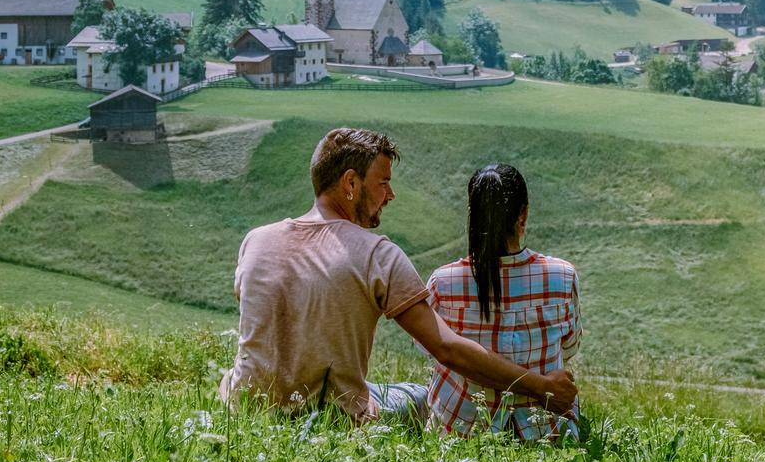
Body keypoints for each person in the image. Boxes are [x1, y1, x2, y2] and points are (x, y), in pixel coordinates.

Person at [220, 127, 577, 425]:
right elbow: (448, 349)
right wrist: (541, 387)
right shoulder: (377, 254)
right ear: (350, 184)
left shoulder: (256, 241)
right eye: (383, 183)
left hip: (245, 410)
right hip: (332, 417)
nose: (390, 195)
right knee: (418, 396)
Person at [426, 163, 581, 440]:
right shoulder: (562, 276)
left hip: (461, 432)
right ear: (522, 216)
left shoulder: (443, 282)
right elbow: (568, 347)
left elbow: (431, 349)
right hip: (545, 432)